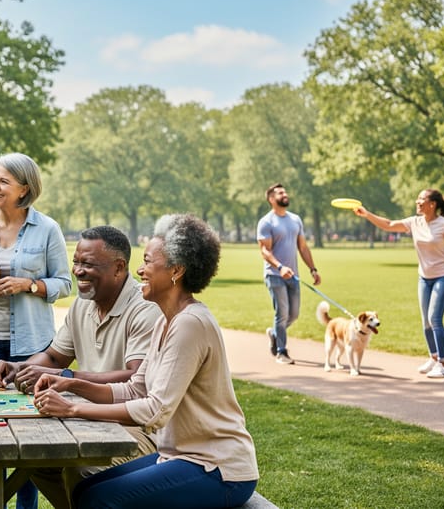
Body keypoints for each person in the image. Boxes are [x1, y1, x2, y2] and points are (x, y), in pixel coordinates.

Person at [33, 214, 259, 509]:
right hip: (179, 456)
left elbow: (155, 410)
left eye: (148, 262)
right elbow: (136, 388)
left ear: (176, 271)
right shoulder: (167, 321)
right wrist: (72, 383)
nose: (139, 270)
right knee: (85, 489)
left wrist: (73, 407)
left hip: (218, 468)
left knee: (97, 499)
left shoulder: (190, 323)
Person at [0, 225, 161, 509]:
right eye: (76, 262)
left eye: (88, 264)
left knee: (82, 470)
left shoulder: (144, 307)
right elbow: (55, 357)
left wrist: (68, 377)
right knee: (37, 460)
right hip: (90, 418)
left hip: (138, 426)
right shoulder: (84, 304)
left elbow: (135, 377)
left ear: (119, 268)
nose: (78, 271)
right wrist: (19, 368)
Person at [0, 152, 71, 509]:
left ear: (24, 188)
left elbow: (64, 283)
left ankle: (26, 505)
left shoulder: (47, 228)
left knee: (28, 429)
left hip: (32, 344)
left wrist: (28, 285)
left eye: (3, 181)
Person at [354, 189, 444, 378]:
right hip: (424, 277)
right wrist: (367, 214)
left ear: (432, 204)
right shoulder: (414, 222)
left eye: (421, 199)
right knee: (426, 322)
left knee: (435, 319)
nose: (417, 202)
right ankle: (433, 357)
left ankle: (443, 364)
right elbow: (389, 225)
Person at [256, 183, 321, 364]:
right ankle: (281, 352)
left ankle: (275, 333)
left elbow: (303, 247)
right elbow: (265, 251)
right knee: (282, 313)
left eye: (285, 192)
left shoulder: (295, 220)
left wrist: (313, 269)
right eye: (280, 193)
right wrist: (280, 267)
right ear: (271, 199)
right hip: (274, 275)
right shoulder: (266, 222)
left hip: (293, 276)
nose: (285, 194)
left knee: (294, 315)